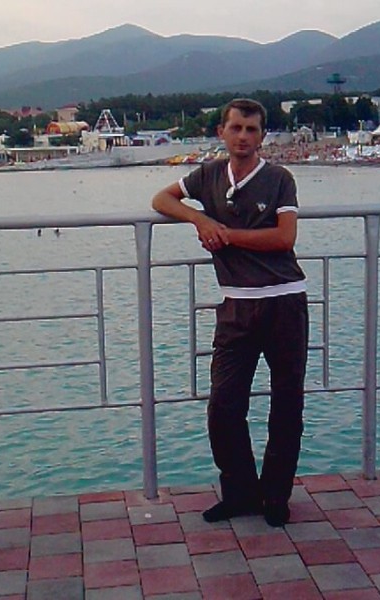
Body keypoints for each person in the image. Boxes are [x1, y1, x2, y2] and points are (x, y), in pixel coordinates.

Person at [152, 98, 308, 527]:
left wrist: (227, 235)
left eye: (251, 129)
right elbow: (161, 198)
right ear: (221, 131)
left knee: (286, 404)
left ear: (262, 136)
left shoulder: (279, 179)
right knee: (223, 405)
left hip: (284, 301)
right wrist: (200, 221)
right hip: (236, 305)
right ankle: (240, 492)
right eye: (236, 128)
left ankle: (276, 496)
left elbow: (285, 237)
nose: (243, 137)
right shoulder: (207, 176)